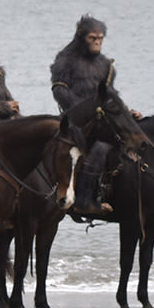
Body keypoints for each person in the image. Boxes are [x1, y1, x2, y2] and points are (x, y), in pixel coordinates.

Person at [49, 15, 138, 218]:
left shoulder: (105, 64)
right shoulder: (65, 59)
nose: (97, 43)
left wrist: (126, 112)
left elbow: (111, 94)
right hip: (76, 118)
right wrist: (83, 109)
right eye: (92, 38)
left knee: (133, 135)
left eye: (100, 39)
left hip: (102, 117)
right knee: (100, 146)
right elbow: (59, 90)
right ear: (81, 36)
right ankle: (86, 199)